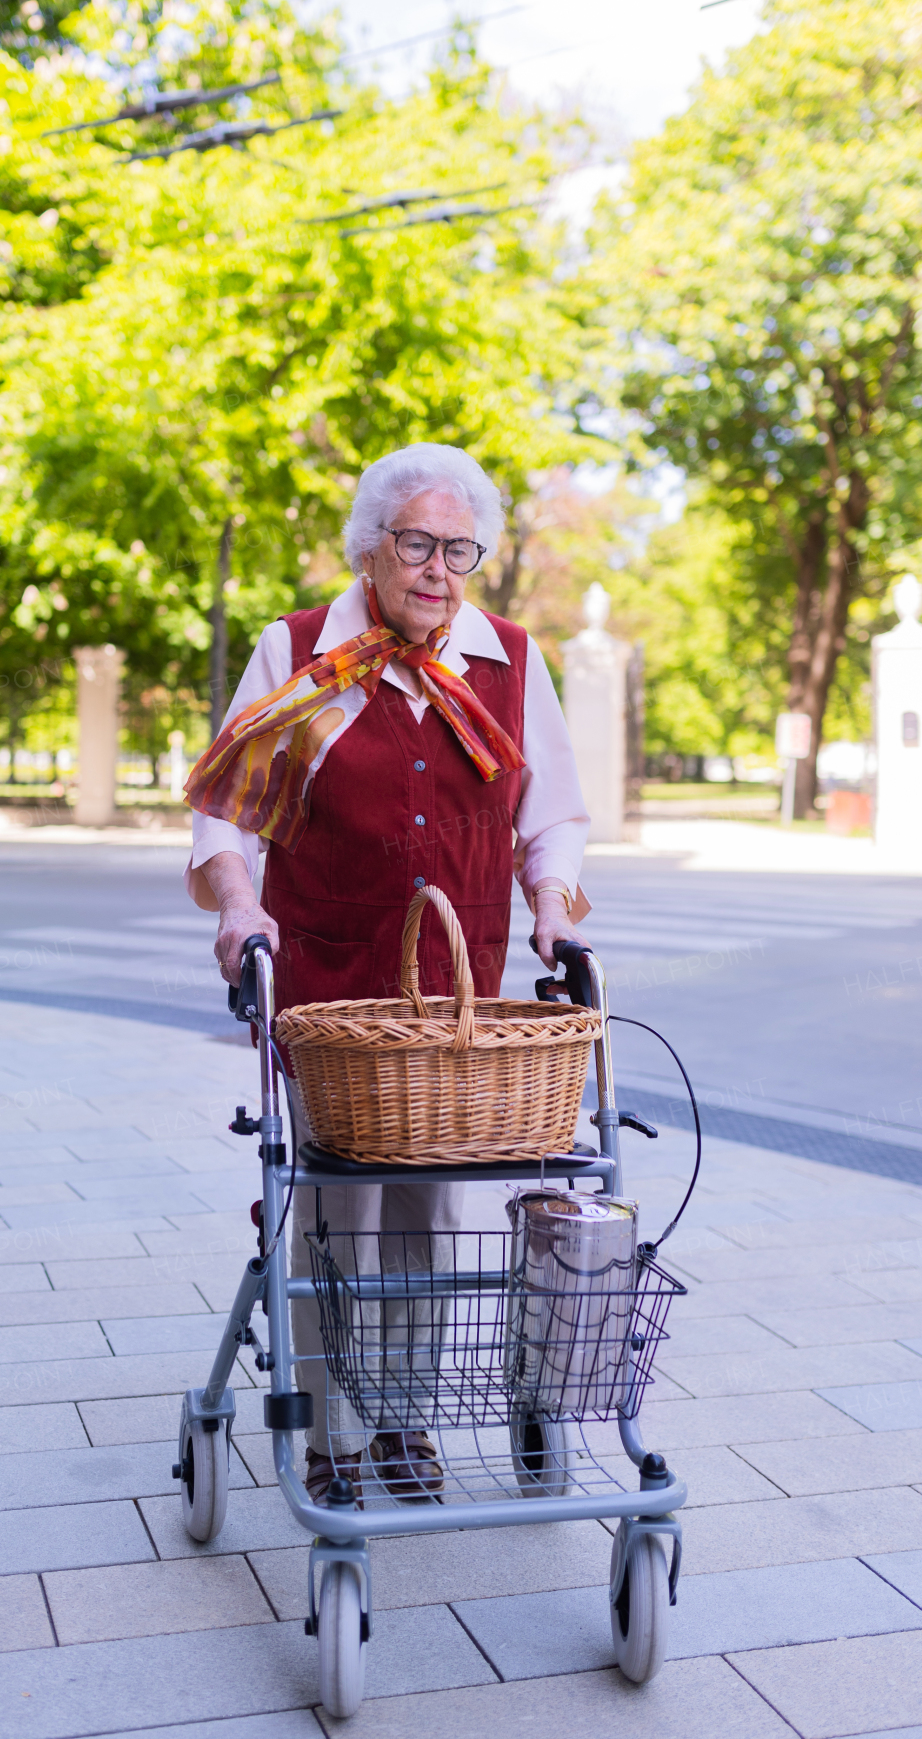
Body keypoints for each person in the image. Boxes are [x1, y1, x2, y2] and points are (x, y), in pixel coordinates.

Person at [186, 443, 591, 1504]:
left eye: (460, 549)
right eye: (416, 543)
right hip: (325, 973)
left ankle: (404, 1422)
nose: (438, 569)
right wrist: (238, 907)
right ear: (370, 547)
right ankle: (329, 1429)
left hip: (456, 988)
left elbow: (550, 809)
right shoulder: (298, 652)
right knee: (332, 1207)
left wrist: (550, 905)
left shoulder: (504, 659)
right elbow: (224, 810)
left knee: (427, 1207)